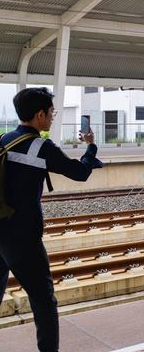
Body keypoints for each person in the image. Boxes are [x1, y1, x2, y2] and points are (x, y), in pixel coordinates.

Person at [0, 87, 102, 352]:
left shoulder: (3, 139)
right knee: (44, 301)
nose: (53, 116)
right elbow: (79, 173)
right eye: (51, 112)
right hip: (22, 238)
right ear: (39, 114)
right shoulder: (40, 146)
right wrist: (91, 146)